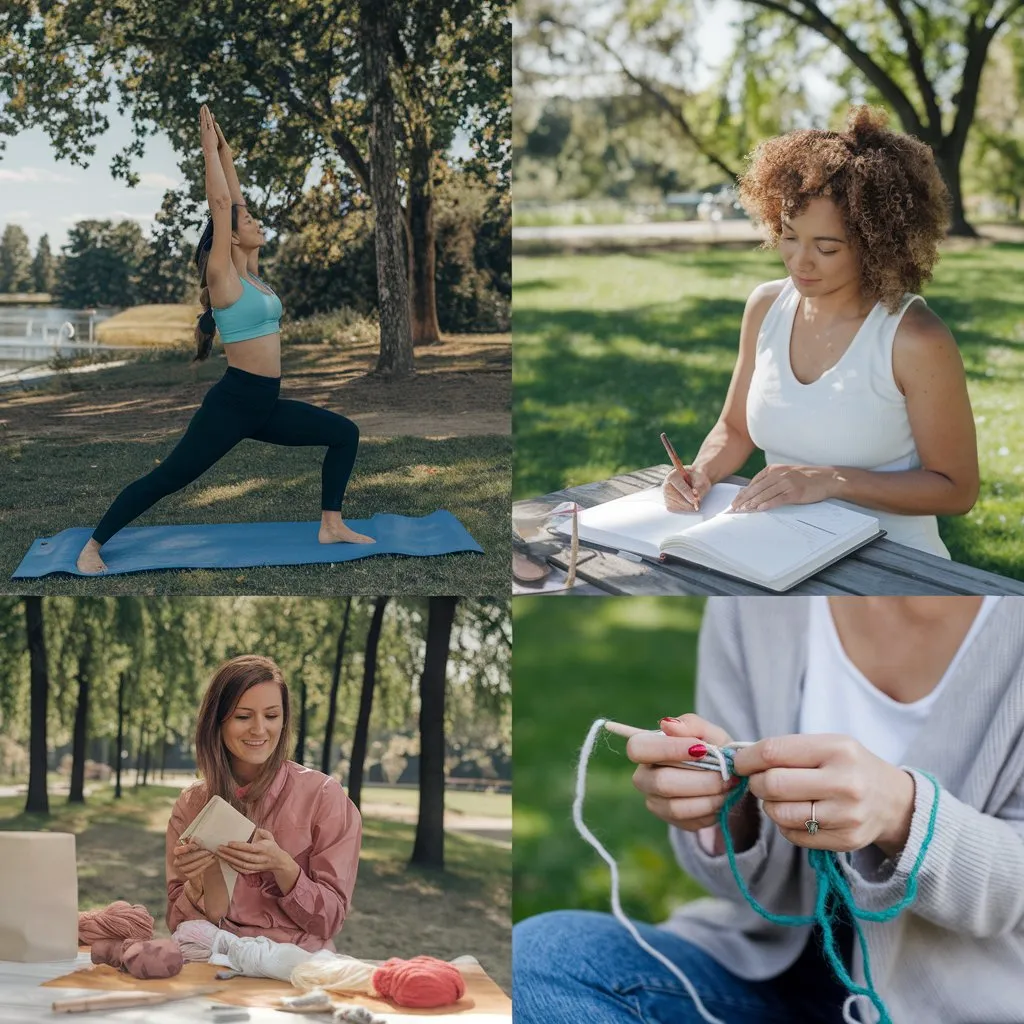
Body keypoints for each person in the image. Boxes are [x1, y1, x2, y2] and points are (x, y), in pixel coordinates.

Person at [514, 596, 1024, 1023]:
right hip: (764, 965)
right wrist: (726, 810)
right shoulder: (752, 602)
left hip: (957, 1000)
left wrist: (902, 813)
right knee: (541, 961)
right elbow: (736, 888)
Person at [663, 107, 979, 558]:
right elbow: (734, 428)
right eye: (789, 237)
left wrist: (832, 480)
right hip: (780, 553)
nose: (799, 262)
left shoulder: (915, 339)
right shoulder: (766, 307)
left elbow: (957, 489)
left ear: (876, 244)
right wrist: (700, 472)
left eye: (827, 247)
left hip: (895, 565)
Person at [77, 104, 372, 574]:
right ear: (230, 240)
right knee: (171, 477)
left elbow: (231, 200)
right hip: (233, 405)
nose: (254, 220)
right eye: (248, 221)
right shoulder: (225, 278)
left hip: (265, 404)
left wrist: (226, 150)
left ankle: (331, 524)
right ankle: (92, 545)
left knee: (344, 435)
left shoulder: (251, 276)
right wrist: (207, 152)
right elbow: (221, 206)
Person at [166, 654, 361, 951]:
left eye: (271, 716)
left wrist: (284, 868)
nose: (259, 729)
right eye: (243, 717)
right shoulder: (191, 804)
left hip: (294, 967)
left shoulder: (325, 796)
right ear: (217, 722)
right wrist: (195, 885)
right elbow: (177, 923)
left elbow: (330, 920)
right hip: (215, 962)